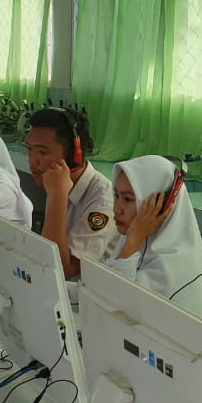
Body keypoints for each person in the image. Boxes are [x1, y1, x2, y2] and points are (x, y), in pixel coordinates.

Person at [105, 155, 202, 321]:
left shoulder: (173, 270)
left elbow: (112, 305)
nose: (117, 209)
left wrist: (133, 240)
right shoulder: (132, 241)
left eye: (127, 199)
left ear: (161, 206)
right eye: (116, 196)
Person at [25, 106, 116, 278]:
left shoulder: (103, 202)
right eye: (29, 149)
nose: (33, 160)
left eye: (42, 152)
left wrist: (57, 196)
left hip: (90, 298)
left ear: (74, 154)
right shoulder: (57, 181)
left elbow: (62, 270)